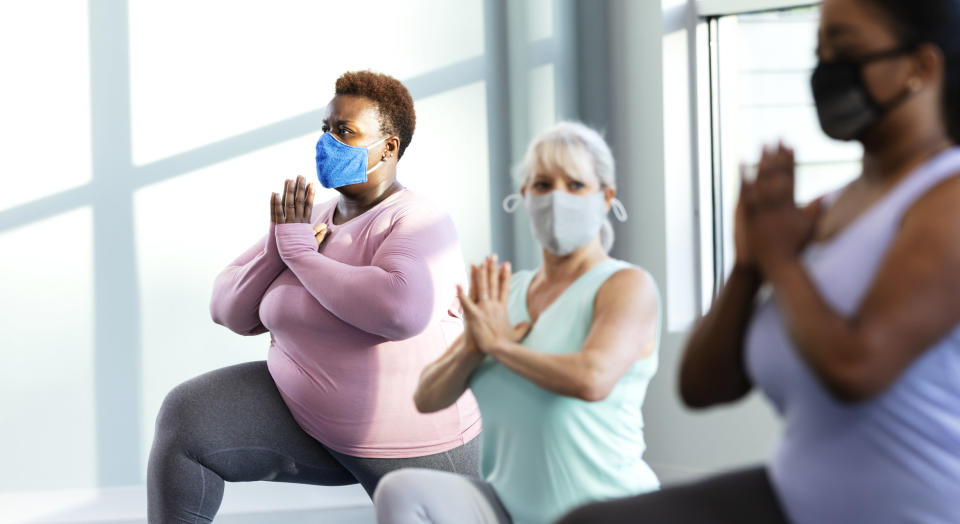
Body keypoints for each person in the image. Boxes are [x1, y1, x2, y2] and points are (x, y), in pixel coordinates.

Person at [559, 1, 960, 523]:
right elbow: (703, 387)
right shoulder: (831, 208)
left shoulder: (946, 198)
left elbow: (857, 368)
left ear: (921, 67)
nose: (826, 70)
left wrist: (780, 258)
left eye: (847, 50)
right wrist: (750, 267)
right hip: (795, 499)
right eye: (821, 52)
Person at [147, 71, 481, 523]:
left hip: (414, 444)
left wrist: (302, 256)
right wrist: (276, 247)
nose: (328, 142)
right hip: (306, 421)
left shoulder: (419, 220)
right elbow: (228, 310)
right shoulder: (310, 219)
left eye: (345, 132)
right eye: (326, 128)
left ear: (389, 147)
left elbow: (400, 311)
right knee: (187, 418)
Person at [373, 121, 661, 524]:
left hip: (611, 511)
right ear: (524, 195)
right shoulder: (504, 294)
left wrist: (500, 348)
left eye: (575, 185)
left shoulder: (626, 285)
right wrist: (473, 348)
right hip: (508, 510)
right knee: (401, 491)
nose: (557, 197)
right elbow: (427, 397)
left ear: (606, 197)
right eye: (542, 184)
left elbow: (592, 379)